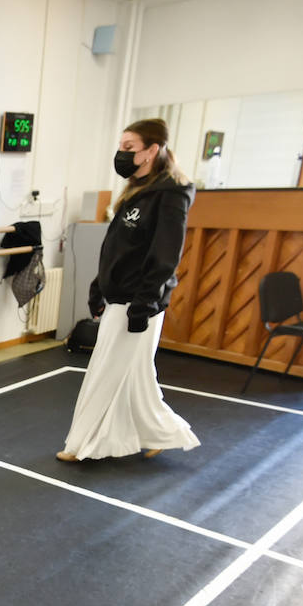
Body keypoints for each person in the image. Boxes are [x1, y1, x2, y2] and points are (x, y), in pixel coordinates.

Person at [57, 118, 200, 462]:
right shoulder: (136, 191)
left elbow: (165, 255)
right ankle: (165, 432)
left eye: (128, 148)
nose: (120, 154)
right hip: (119, 296)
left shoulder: (171, 193)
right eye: (120, 147)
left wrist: (143, 304)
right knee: (135, 375)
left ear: (152, 151)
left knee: (105, 373)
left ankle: (82, 445)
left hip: (139, 302)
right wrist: (99, 286)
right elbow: (117, 248)